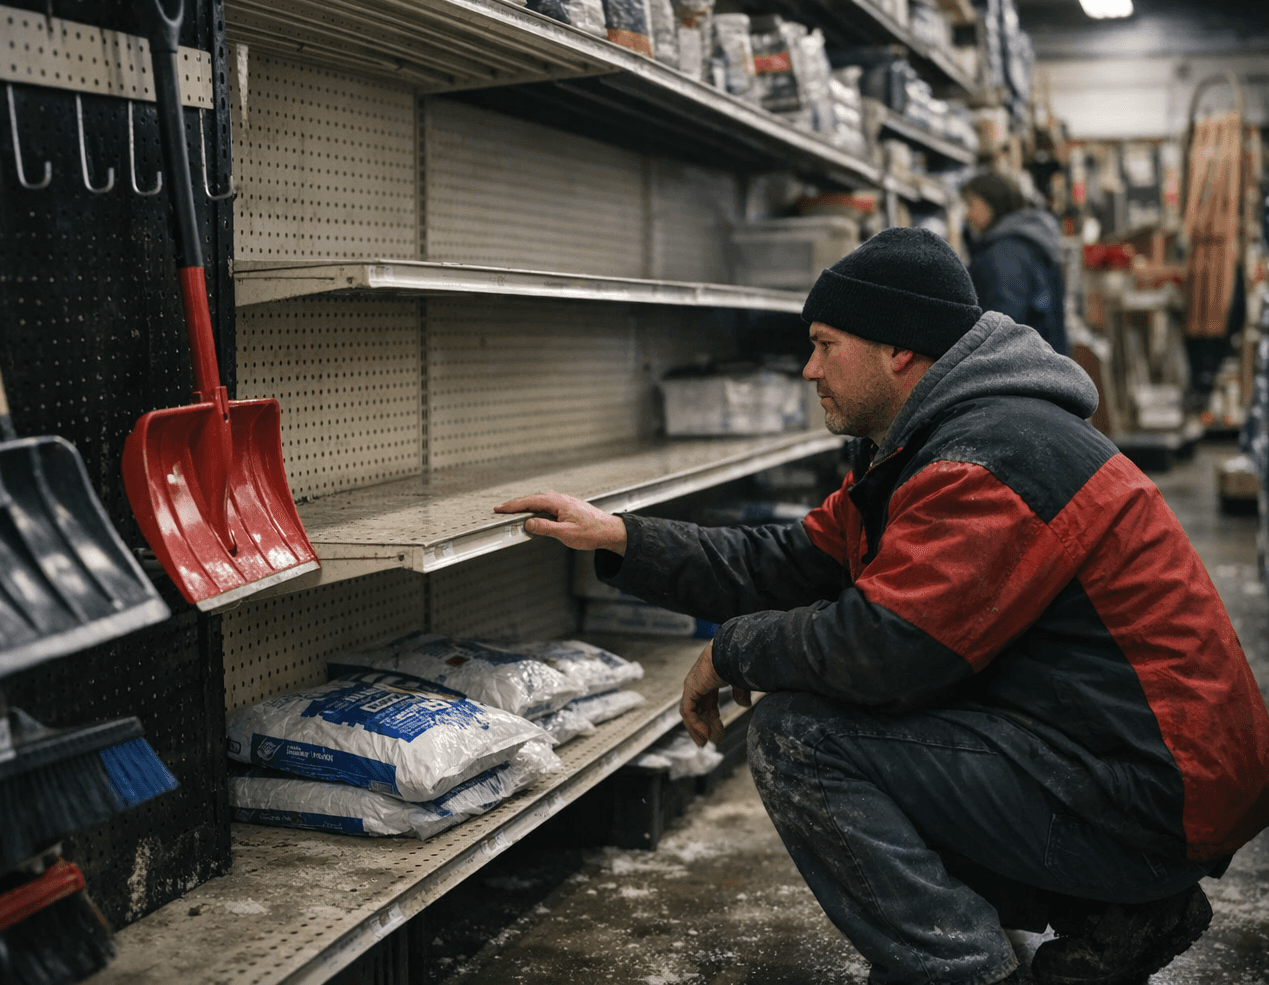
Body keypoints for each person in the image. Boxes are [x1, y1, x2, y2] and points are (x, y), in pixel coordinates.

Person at [495, 227, 1269, 985]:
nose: (808, 369)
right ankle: (1120, 917)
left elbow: (884, 649)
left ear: (899, 348)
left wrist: (731, 650)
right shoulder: (930, 447)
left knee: (804, 735)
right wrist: (623, 537)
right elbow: (793, 562)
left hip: (1155, 798)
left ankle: (964, 969)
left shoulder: (987, 459)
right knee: (880, 718)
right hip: (1126, 766)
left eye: (826, 344)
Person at [963, 171, 1070, 356]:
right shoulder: (1025, 241)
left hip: (1020, 366)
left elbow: (1004, 322)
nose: (967, 214)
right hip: (1041, 363)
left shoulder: (1004, 253)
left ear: (990, 203)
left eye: (971, 203)